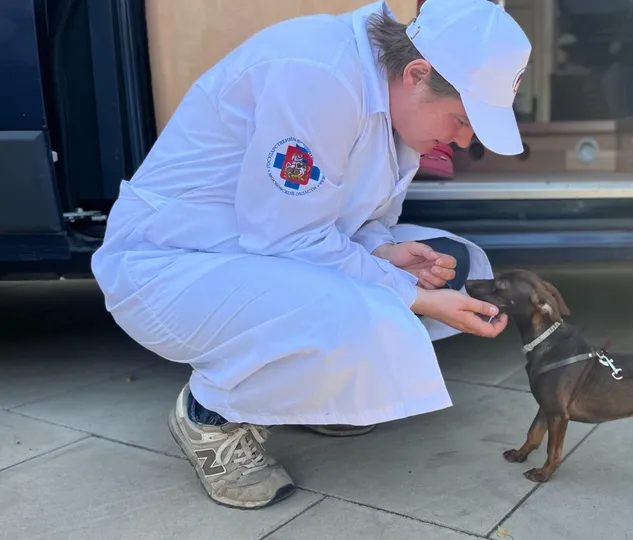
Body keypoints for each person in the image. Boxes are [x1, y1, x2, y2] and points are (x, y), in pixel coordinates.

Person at [89, 0, 531, 509]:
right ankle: (208, 417)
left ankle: (301, 394)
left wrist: (384, 249)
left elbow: (343, 221)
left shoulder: (396, 108)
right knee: (357, 311)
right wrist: (409, 294)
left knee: (456, 265)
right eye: (460, 118)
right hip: (172, 266)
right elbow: (288, 236)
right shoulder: (317, 74)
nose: (463, 139)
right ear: (416, 73)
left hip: (261, 253)